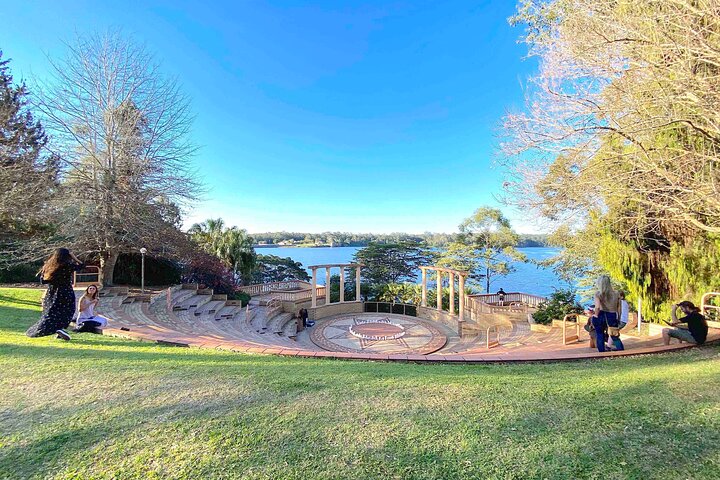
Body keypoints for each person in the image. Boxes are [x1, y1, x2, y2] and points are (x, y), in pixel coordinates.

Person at [26, 248, 84, 341]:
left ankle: (57, 331)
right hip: (65, 291)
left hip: (52, 293)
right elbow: (81, 266)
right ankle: (59, 329)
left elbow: (43, 281)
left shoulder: (49, 266)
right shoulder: (67, 265)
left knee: (51, 312)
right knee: (67, 311)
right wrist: (74, 257)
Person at [591, 275, 624, 352]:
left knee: (599, 334)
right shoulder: (616, 293)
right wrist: (618, 317)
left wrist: (595, 315)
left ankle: (601, 351)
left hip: (601, 315)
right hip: (612, 315)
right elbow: (619, 307)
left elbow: (597, 307)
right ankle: (620, 349)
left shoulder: (598, 294)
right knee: (614, 334)